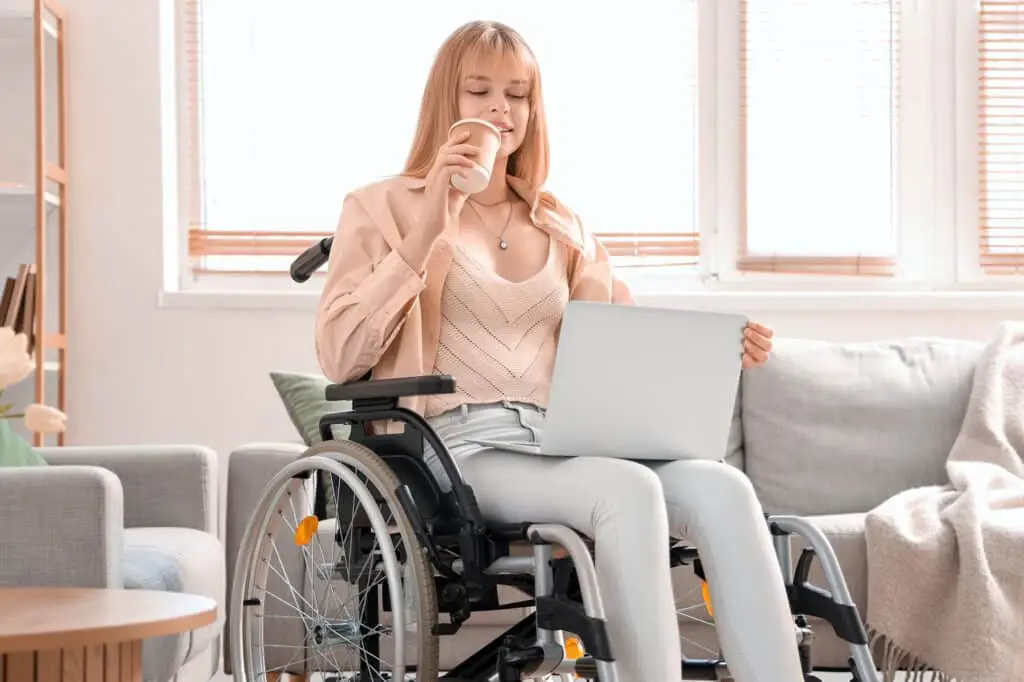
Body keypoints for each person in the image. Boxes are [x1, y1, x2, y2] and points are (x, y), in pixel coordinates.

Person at [315, 19, 804, 682]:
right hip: (458, 451)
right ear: (444, 102)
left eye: (517, 94)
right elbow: (341, 354)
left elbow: (623, 342)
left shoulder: (560, 222)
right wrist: (432, 218)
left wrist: (722, 348)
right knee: (625, 489)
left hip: (566, 440)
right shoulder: (381, 207)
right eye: (479, 90)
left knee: (724, 490)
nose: (500, 109)